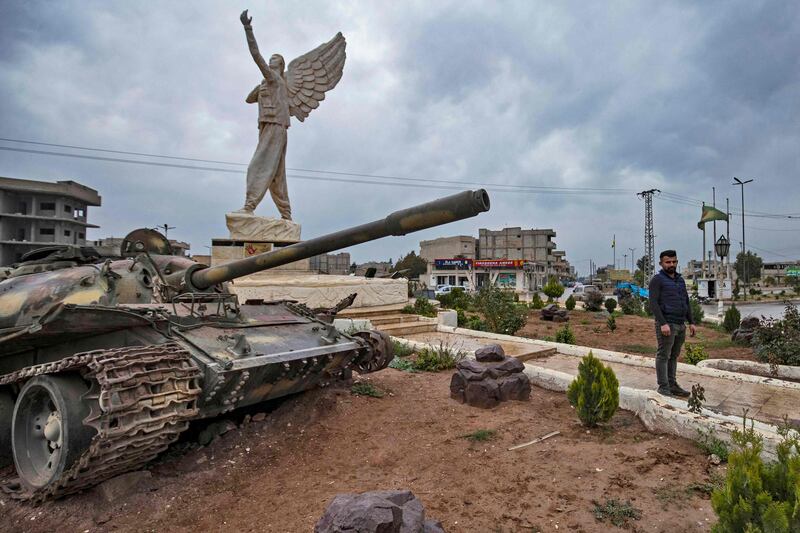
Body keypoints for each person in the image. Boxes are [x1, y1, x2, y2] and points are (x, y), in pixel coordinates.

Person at [237, 9, 292, 220]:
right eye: (270, 60)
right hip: (269, 127)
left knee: (257, 166)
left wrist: (247, 28)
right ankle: (286, 214)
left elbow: (255, 56)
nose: (269, 62)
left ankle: (249, 206)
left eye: (273, 61)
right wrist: (261, 88)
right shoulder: (269, 83)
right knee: (276, 176)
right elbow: (248, 99)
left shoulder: (277, 81)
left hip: (275, 126)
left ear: (279, 67)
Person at [648, 250, 696, 397]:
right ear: (661, 263)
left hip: (680, 324)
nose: (671, 264)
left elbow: (685, 302)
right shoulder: (657, 280)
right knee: (663, 355)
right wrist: (662, 323)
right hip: (667, 324)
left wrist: (691, 322)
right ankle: (663, 387)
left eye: (674, 262)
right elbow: (653, 303)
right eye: (668, 262)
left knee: (674, 356)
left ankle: (672, 384)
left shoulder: (680, 280)